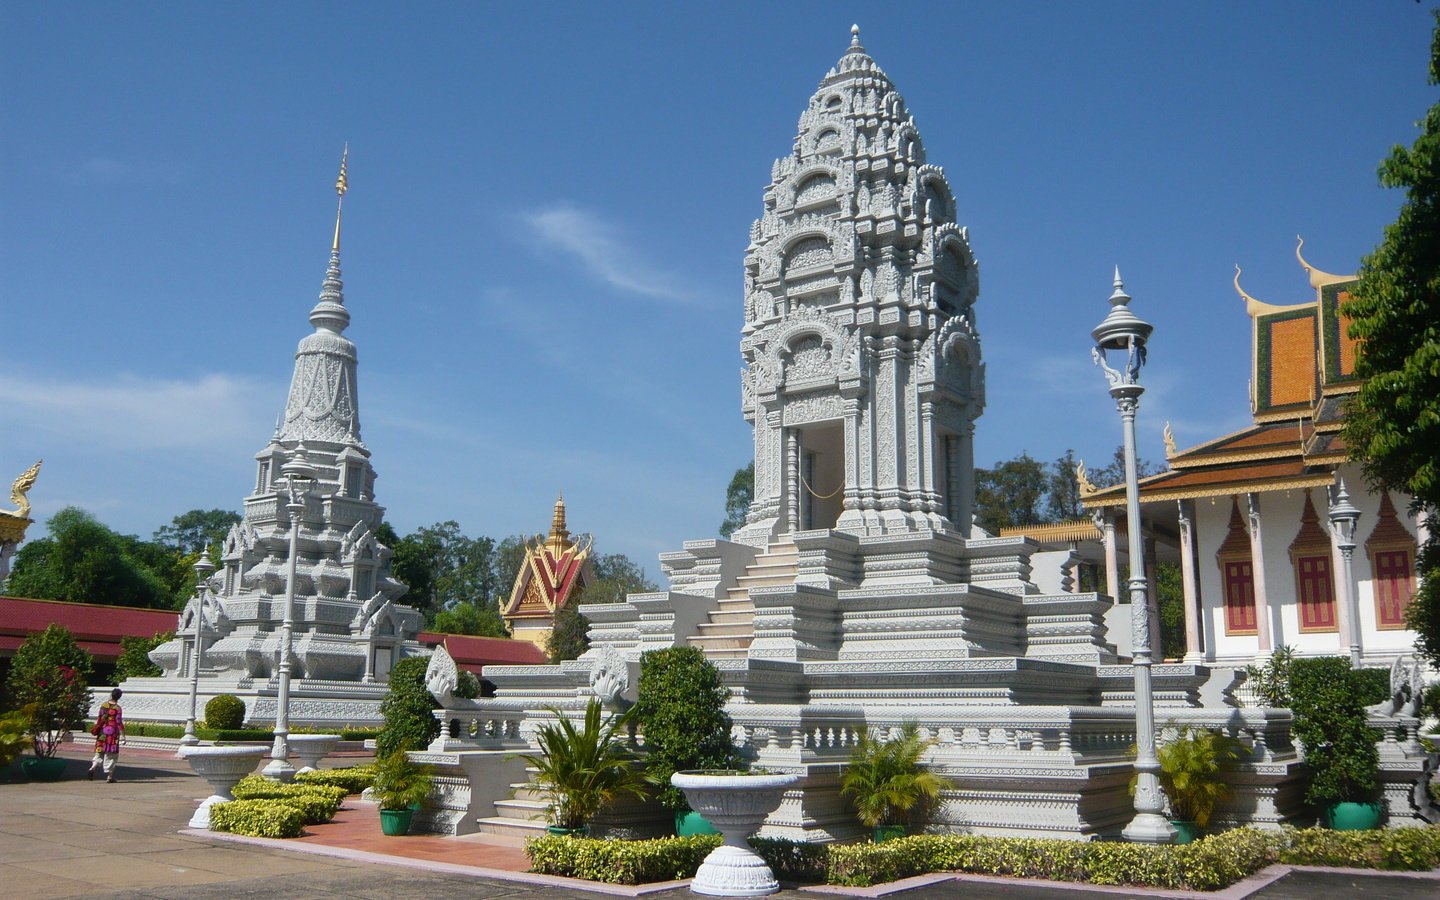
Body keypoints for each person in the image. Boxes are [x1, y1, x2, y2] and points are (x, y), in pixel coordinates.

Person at [89, 688, 125, 783]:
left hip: (102, 732)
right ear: (119, 697)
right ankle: (109, 777)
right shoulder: (117, 708)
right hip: (112, 734)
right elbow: (118, 722)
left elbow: (100, 718)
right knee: (111, 755)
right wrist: (123, 735)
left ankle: (93, 767)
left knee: (100, 751)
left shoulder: (104, 705)